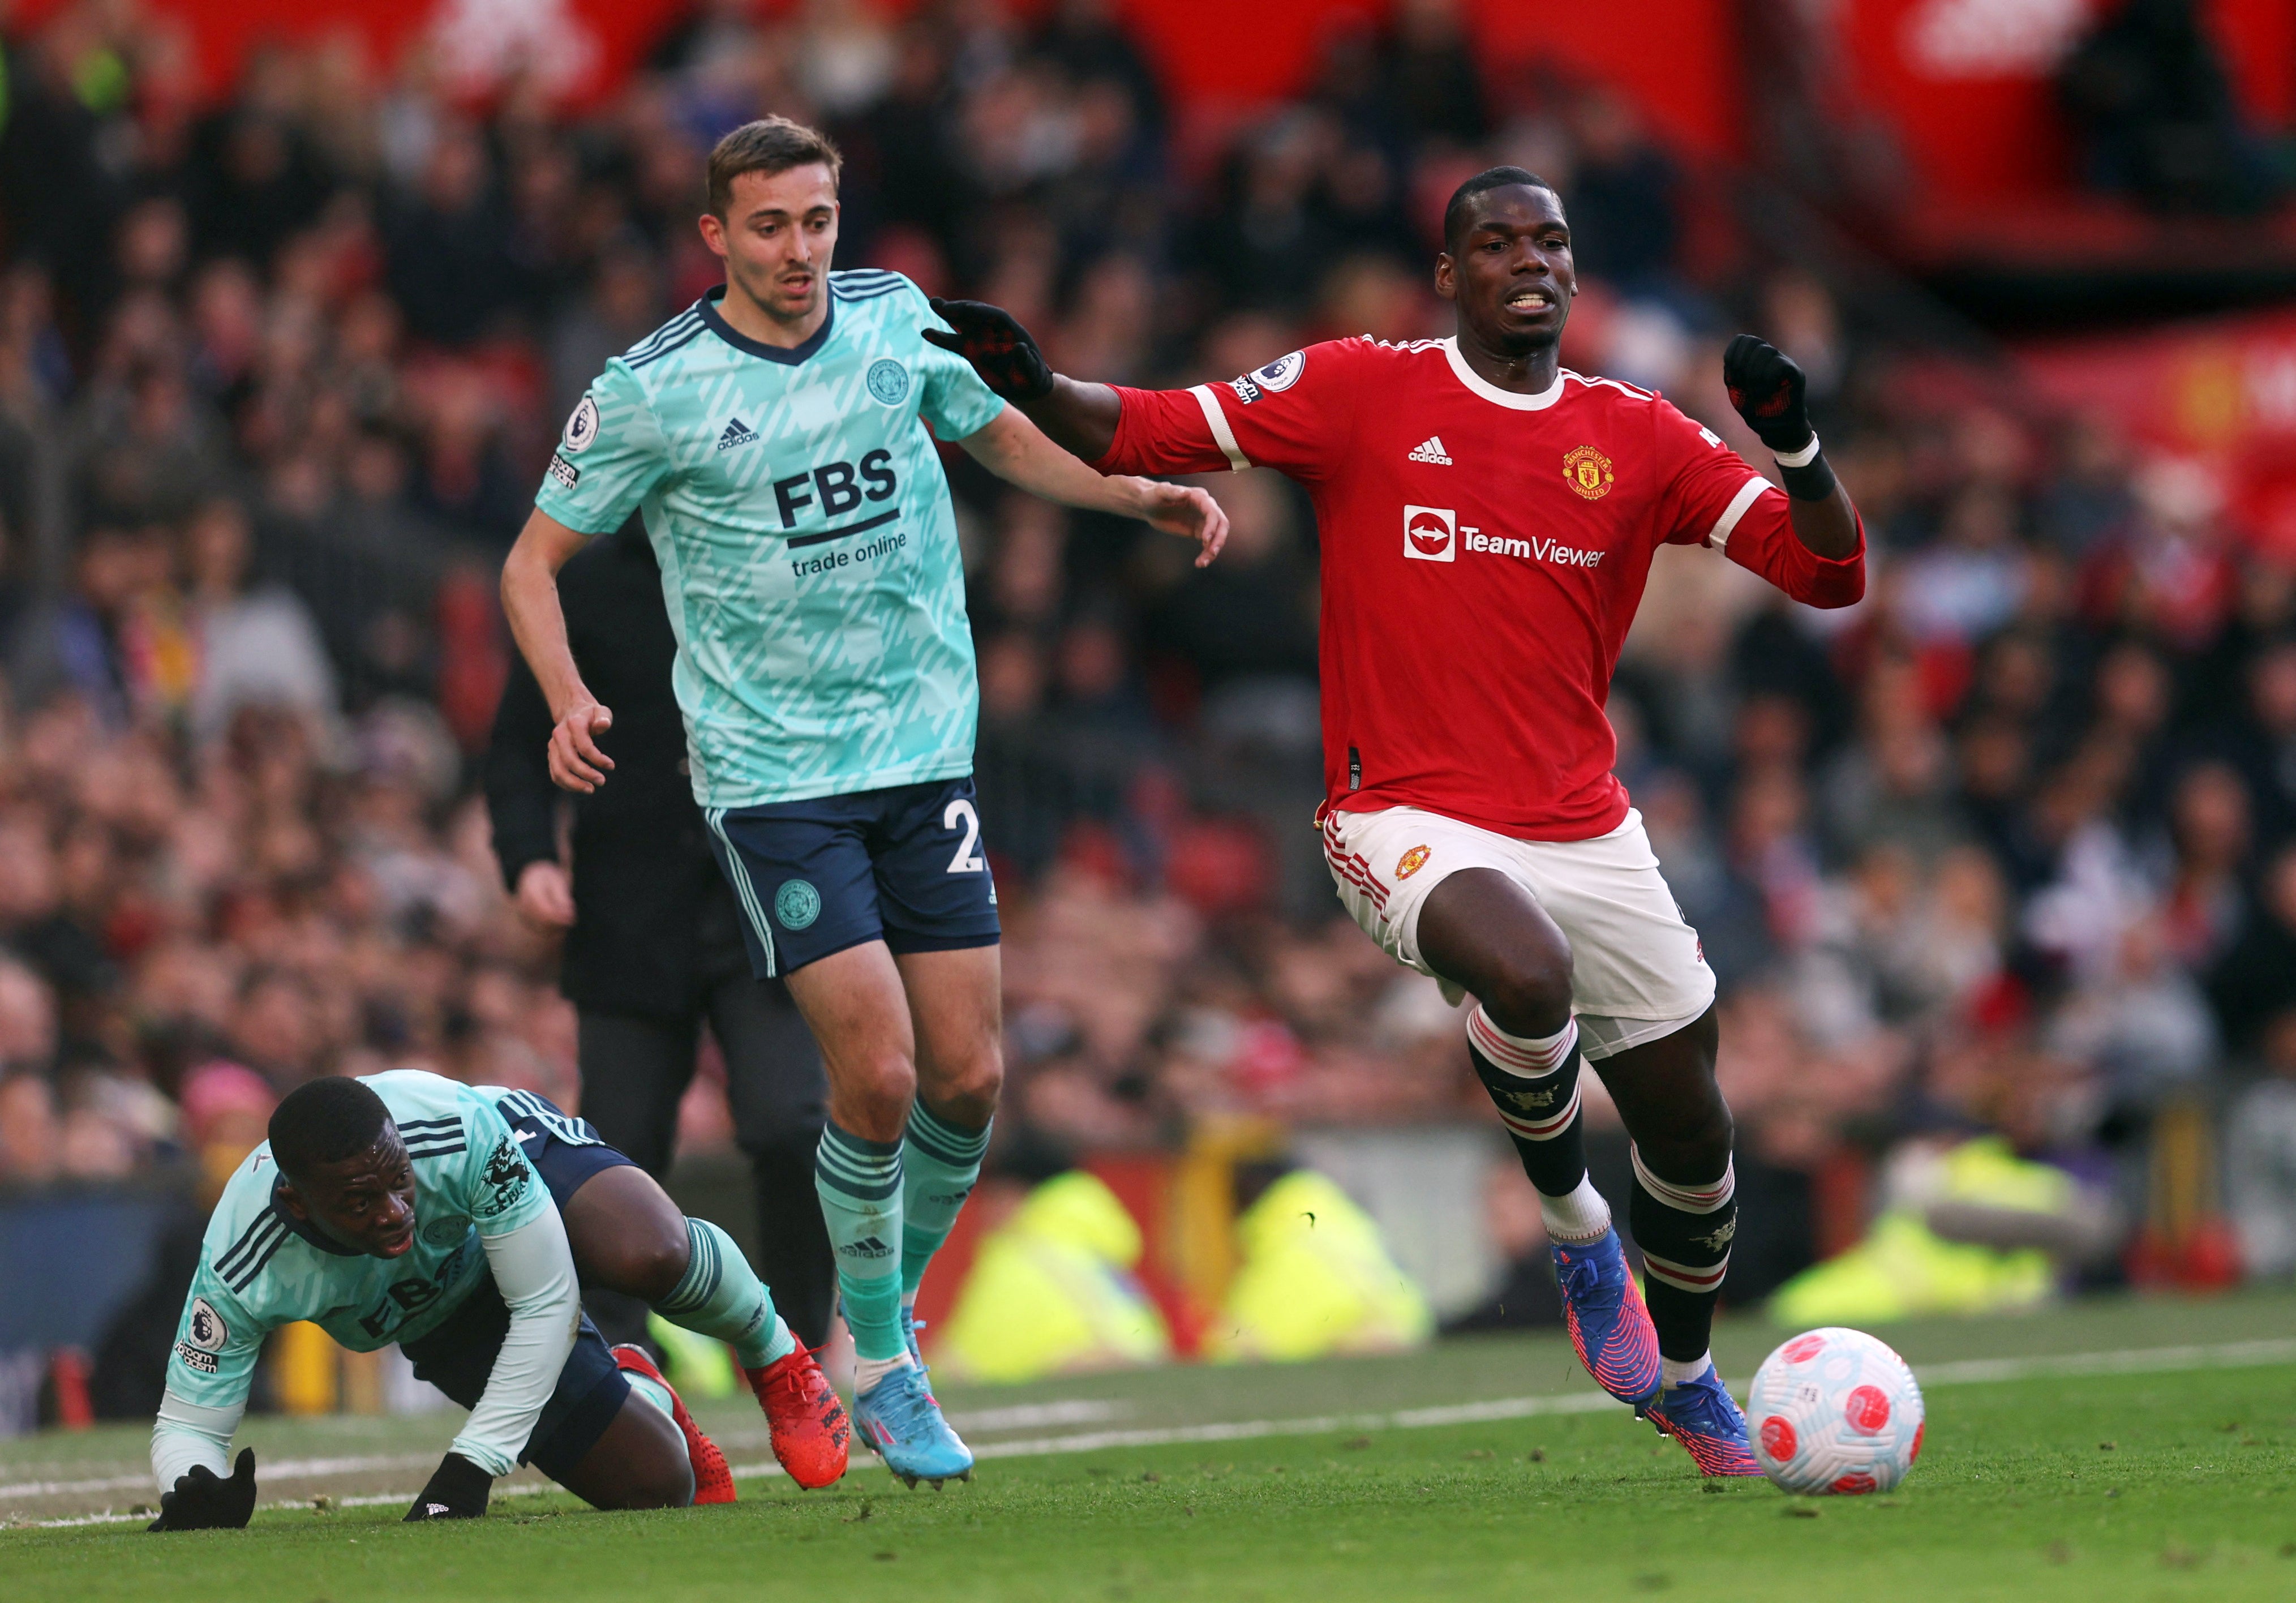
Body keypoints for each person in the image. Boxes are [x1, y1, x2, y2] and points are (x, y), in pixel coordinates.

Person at [926, 165, 1867, 1477]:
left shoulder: (1635, 432)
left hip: (1584, 819)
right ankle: (1576, 1228)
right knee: (1525, 965)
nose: (1527, 260)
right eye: (1494, 242)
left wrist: (1795, 446)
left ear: (1574, 273)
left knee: (1693, 1130)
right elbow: (1140, 429)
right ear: (1448, 275)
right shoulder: (1362, 388)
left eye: (1548, 241)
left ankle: (1695, 1378)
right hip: (1401, 810)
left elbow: (1827, 572)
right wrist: (1030, 382)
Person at [498, 117, 1228, 1488]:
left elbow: (1002, 438)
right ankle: (880, 1353)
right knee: (878, 1072)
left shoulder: (896, 324)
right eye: (768, 227)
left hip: (923, 753)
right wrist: (566, 695)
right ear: (714, 234)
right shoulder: (649, 389)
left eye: (818, 222)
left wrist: (1128, 493)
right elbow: (529, 566)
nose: (797, 252)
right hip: (774, 778)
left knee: (970, 1073)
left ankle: (876, 1331)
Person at [147, 1071, 850, 1531]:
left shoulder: (454, 1132)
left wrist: (472, 1465)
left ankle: (776, 1353)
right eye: (360, 1202)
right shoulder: (241, 1261)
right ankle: (638, 1383)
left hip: (515, 1174)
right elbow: (186, 1422)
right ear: (297, 1203)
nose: (394, 1212)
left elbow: (545, 1300)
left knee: (648, 1251)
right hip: (446, 1310)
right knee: (658, 1483)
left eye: (398, 1181)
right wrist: (193, 1485)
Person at [486, 520, 836, 1351]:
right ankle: (612, 1360)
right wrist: (529, 858)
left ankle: (800, 1343)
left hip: (763, 901)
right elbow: (513, 744)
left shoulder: (778, 572)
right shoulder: (582, 586)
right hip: (629, 910)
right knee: (615, 1150)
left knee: (791, 1123)